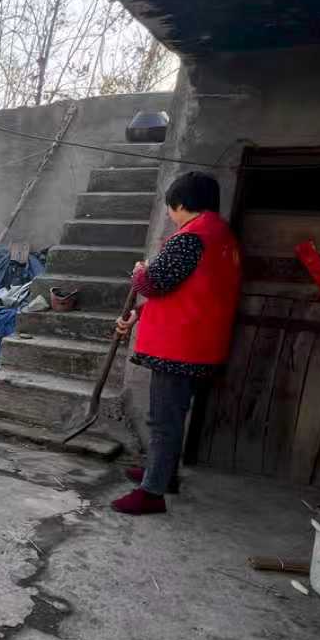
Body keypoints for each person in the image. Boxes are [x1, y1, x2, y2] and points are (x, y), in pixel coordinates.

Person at [110, 171, 240, 516]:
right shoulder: (222, 236)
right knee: (173, 414)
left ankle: (152, 492)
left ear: (180, 204)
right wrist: (139, 314)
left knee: (163, 419)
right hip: (199, 342)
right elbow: (191, 293)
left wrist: (139, 271)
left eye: (170, 208)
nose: (170, 215)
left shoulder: (190, 238)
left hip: (179, 345)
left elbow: (153, 284)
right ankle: (162, 474)